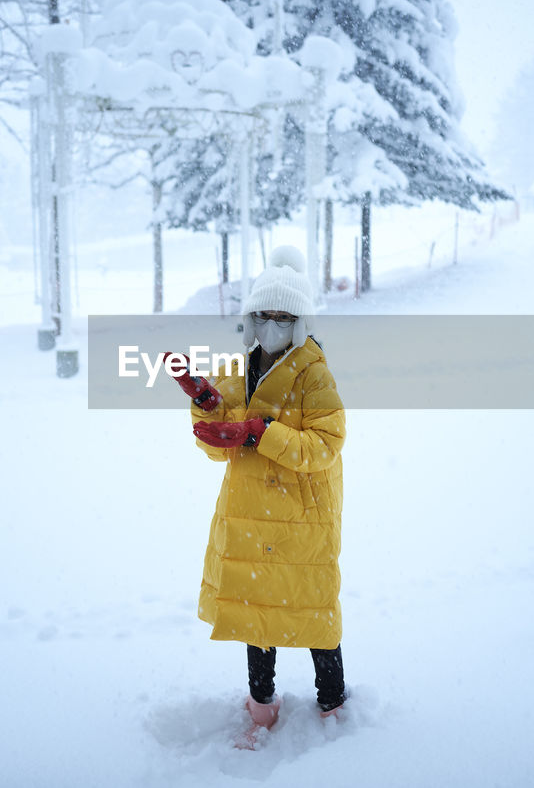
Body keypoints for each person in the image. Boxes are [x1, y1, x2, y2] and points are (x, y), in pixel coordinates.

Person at [165, 245, 348, 749]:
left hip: (300, 516)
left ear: (300, 320)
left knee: (312, 611)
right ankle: (261, 709)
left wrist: (260, 432)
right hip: (250, 513)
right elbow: (218, 441)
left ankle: (332, 701)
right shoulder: (236, 366)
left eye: (282, 316)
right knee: (256, 611)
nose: (271, 325)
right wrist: (204, 402)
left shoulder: (314, 373)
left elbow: (326, 446)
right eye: (263, 315)